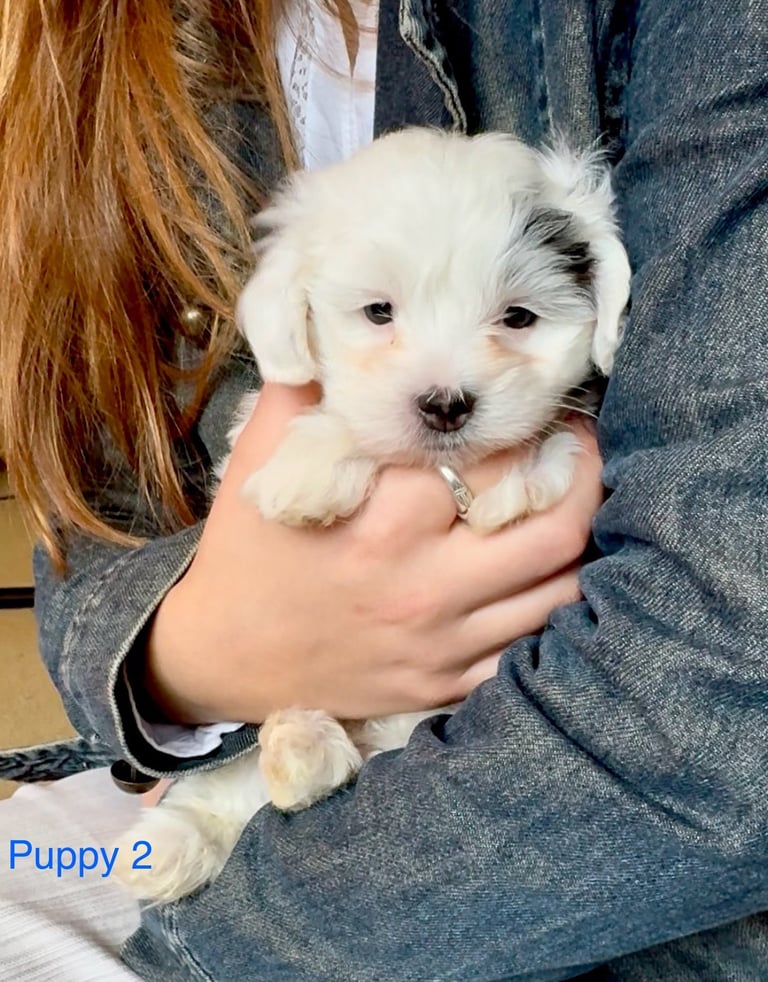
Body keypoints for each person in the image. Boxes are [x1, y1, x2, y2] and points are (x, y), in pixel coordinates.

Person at [1, 0, 767, 979]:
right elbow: (89, 545)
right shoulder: (106, 70)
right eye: (378, 314)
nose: (445, 388)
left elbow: (721, 697)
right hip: (227, 788)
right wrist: (190, 658)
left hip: (577, 861)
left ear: (600, 293)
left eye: (516, 319)